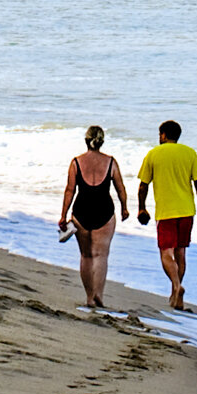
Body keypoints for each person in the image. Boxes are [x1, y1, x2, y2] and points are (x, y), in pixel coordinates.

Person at [136, 119, 197, 311]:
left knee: (166, 252)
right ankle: (175, 294)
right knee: (181, 252)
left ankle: (176, 286)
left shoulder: (153, 154)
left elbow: (143, 185)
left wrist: (142, 208)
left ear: (163, 135)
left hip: (166, 211)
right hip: (187, 211)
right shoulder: (190, 153)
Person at [58, 126, 131, 308]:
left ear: (86, 140)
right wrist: (124, 208)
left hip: (81, 212)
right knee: (101, 256)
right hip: (104, 212)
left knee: (86, 256)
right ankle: (99, 294)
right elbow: (120, 188)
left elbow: (70, 190)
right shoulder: (111, 162)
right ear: (101, 141)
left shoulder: (76, 162)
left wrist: (63, 214)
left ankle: (89, 297)